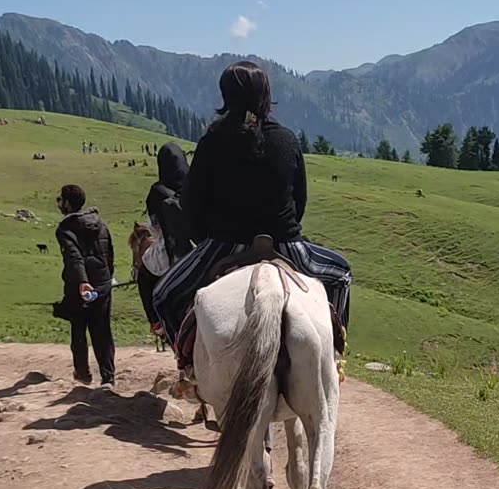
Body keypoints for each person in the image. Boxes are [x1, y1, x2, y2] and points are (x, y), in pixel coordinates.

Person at [152, 61, 351, 378]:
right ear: (265, 95)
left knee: (162, 296)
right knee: (341, 275)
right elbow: (299, 200)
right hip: (284, 246)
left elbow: (192, 205)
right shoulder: (287, 140)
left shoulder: (211, 143)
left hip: (224, 246)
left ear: (226, 96)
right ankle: (333, 357)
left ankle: (189, 369)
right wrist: (285, 231)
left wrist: (207, 237)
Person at [55, 184, 117, 387]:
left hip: (79, 288)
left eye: (60, 200)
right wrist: (108, 279)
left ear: (67, 203)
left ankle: (83, 374)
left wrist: (82, 282)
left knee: (79, 330)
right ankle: (108, 377)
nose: (58, 203)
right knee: (102, 331)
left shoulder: (66, 228)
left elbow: (74, 258)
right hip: (102, 284)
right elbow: (109, 251)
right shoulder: (99, 223)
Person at [136, 143, 195, 333]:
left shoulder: (157, 191)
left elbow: (153, 229)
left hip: (173, 250)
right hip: (204, 246)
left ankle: (157, 322)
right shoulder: (195, 183)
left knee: (144, 275)